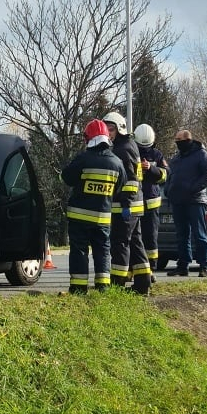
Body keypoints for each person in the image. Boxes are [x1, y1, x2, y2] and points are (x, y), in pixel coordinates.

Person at [60, 119, 123, 295]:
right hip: (103, 218)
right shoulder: (117, 163)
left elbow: (66, 178)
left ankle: (79, 288)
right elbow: (119, 187)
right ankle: (103, 286)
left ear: (88, 138)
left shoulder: (83, 159)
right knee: (103, 250)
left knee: (79, 250)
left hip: (79, 217)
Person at [102, 111, 152, 293]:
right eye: (106, 129)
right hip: (132, 206)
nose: (108, 133)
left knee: (120, 243)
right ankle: (142, 284)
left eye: (111, 129)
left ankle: (117, 283)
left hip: (126, 207)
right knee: (136, 244)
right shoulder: (126, 145)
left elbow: (131, 181)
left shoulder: (123, 149)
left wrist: (125, 205)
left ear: (120, 129)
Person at [164, 128, 207, 276]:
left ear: (188, 140)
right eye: (176, 141)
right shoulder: (177, 158)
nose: (177, 143)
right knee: (182, 235)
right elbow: (170, 176)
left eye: (179, 140)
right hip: (178, 201)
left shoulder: (201, 155)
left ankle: (204, 265)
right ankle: (183, 265)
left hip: (195, 200)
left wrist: (193, 189)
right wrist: (168, 189)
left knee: (199, 234)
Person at [135, 124, 167, 271]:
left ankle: (151, 269)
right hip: (135, 202)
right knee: (136, 237)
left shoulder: (157, 154)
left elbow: (166, 174)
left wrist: (151, 168)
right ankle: (137, 268)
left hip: (151, 203)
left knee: (151, 237)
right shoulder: (132, 152)